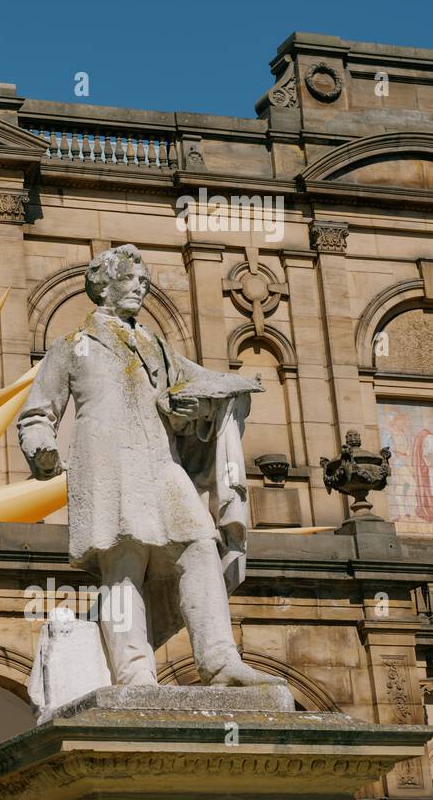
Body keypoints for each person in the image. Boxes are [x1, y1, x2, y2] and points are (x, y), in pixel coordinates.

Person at [17, 244, 282, 687]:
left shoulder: (157, 346)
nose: (140, 288)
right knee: (124, 561)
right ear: (103, 284)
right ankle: (134, 672)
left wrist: (216, 399)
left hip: (161, 463)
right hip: (108, 466)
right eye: (130, 279)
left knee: (200, 545)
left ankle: (219, 660)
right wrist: (42, 448)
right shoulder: (72, 346)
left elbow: (198, 386)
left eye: (144, 281)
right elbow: (37, 412)